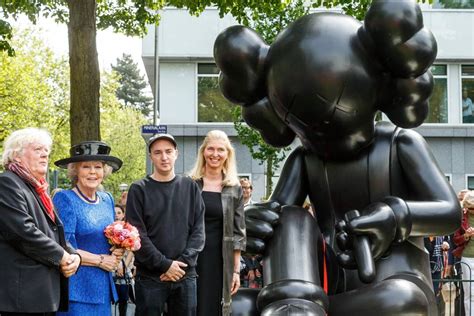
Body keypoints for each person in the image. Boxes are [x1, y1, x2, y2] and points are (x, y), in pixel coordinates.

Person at [0, 127, 80, 315]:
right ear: (16, 156)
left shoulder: (37, 189)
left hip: (41, 296)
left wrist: (75, 255)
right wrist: (63, 256)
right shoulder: (7, 183)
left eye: (46, 150)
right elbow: (23, 232)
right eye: (37, 150)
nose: (45, 154)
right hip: (22, 299)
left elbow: (52, 231)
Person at [126, 133, 205, 316]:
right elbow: (137, 235)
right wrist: (165, 265)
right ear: (150, 156)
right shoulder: (139, 189)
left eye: (168, 151)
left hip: (185, 275)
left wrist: (180, 264)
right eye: (158, 152)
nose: (164, 157)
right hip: (151, 277)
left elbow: (199, 232)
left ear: (176, 153)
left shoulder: (190, 187)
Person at [53, 141, 124, 315]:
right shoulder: (65, 199)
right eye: (86, 166)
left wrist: (118, 248)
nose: (93, 172)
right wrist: (101, 260)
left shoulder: (107, 198)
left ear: (104, 171)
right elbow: (64, 246)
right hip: (77, 290)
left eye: (98, 167)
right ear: (75, 170)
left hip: (103, 288)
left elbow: (107, 235)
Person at [189, 130, 246, 316]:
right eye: (211, 149)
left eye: (221, 150)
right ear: (203, 152)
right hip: (190, 257)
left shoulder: (234, 188)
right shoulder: (189, 184)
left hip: (220, 260)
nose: (215, 154)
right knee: (189, 306)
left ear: (227, 154)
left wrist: (236, 271)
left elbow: (239, 233)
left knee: (216, 308)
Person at [453, 191, 474, 315]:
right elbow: (455, 240)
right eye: (470, 208)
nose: (472, 210)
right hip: (466, 257)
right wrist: (466, 235)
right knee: (468, 291)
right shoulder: (462, 217)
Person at [113, 204, 135, 316]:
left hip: (125, 269)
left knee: (123, 299)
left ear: (123, 214)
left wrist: (124, 266)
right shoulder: (107, 228)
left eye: (119, 213)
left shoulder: (128, 229)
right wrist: (116, 266)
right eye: (114, 212)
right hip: (111, 266)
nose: (116, 215)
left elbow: (132, 249)